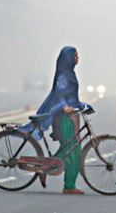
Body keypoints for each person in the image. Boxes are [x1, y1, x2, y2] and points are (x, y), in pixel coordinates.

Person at [20, 46, 91, 194]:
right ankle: (67, 185)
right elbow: (59, 94)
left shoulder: (69, 73)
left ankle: (56, 175)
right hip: (64, 118)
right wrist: (65, 107)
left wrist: (83, 105)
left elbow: (71, 97)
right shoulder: (64, 76)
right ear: (68, 59)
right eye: (75, 56)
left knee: (69, 149)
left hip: (71, 116)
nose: (78, 58)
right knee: (72, 150)